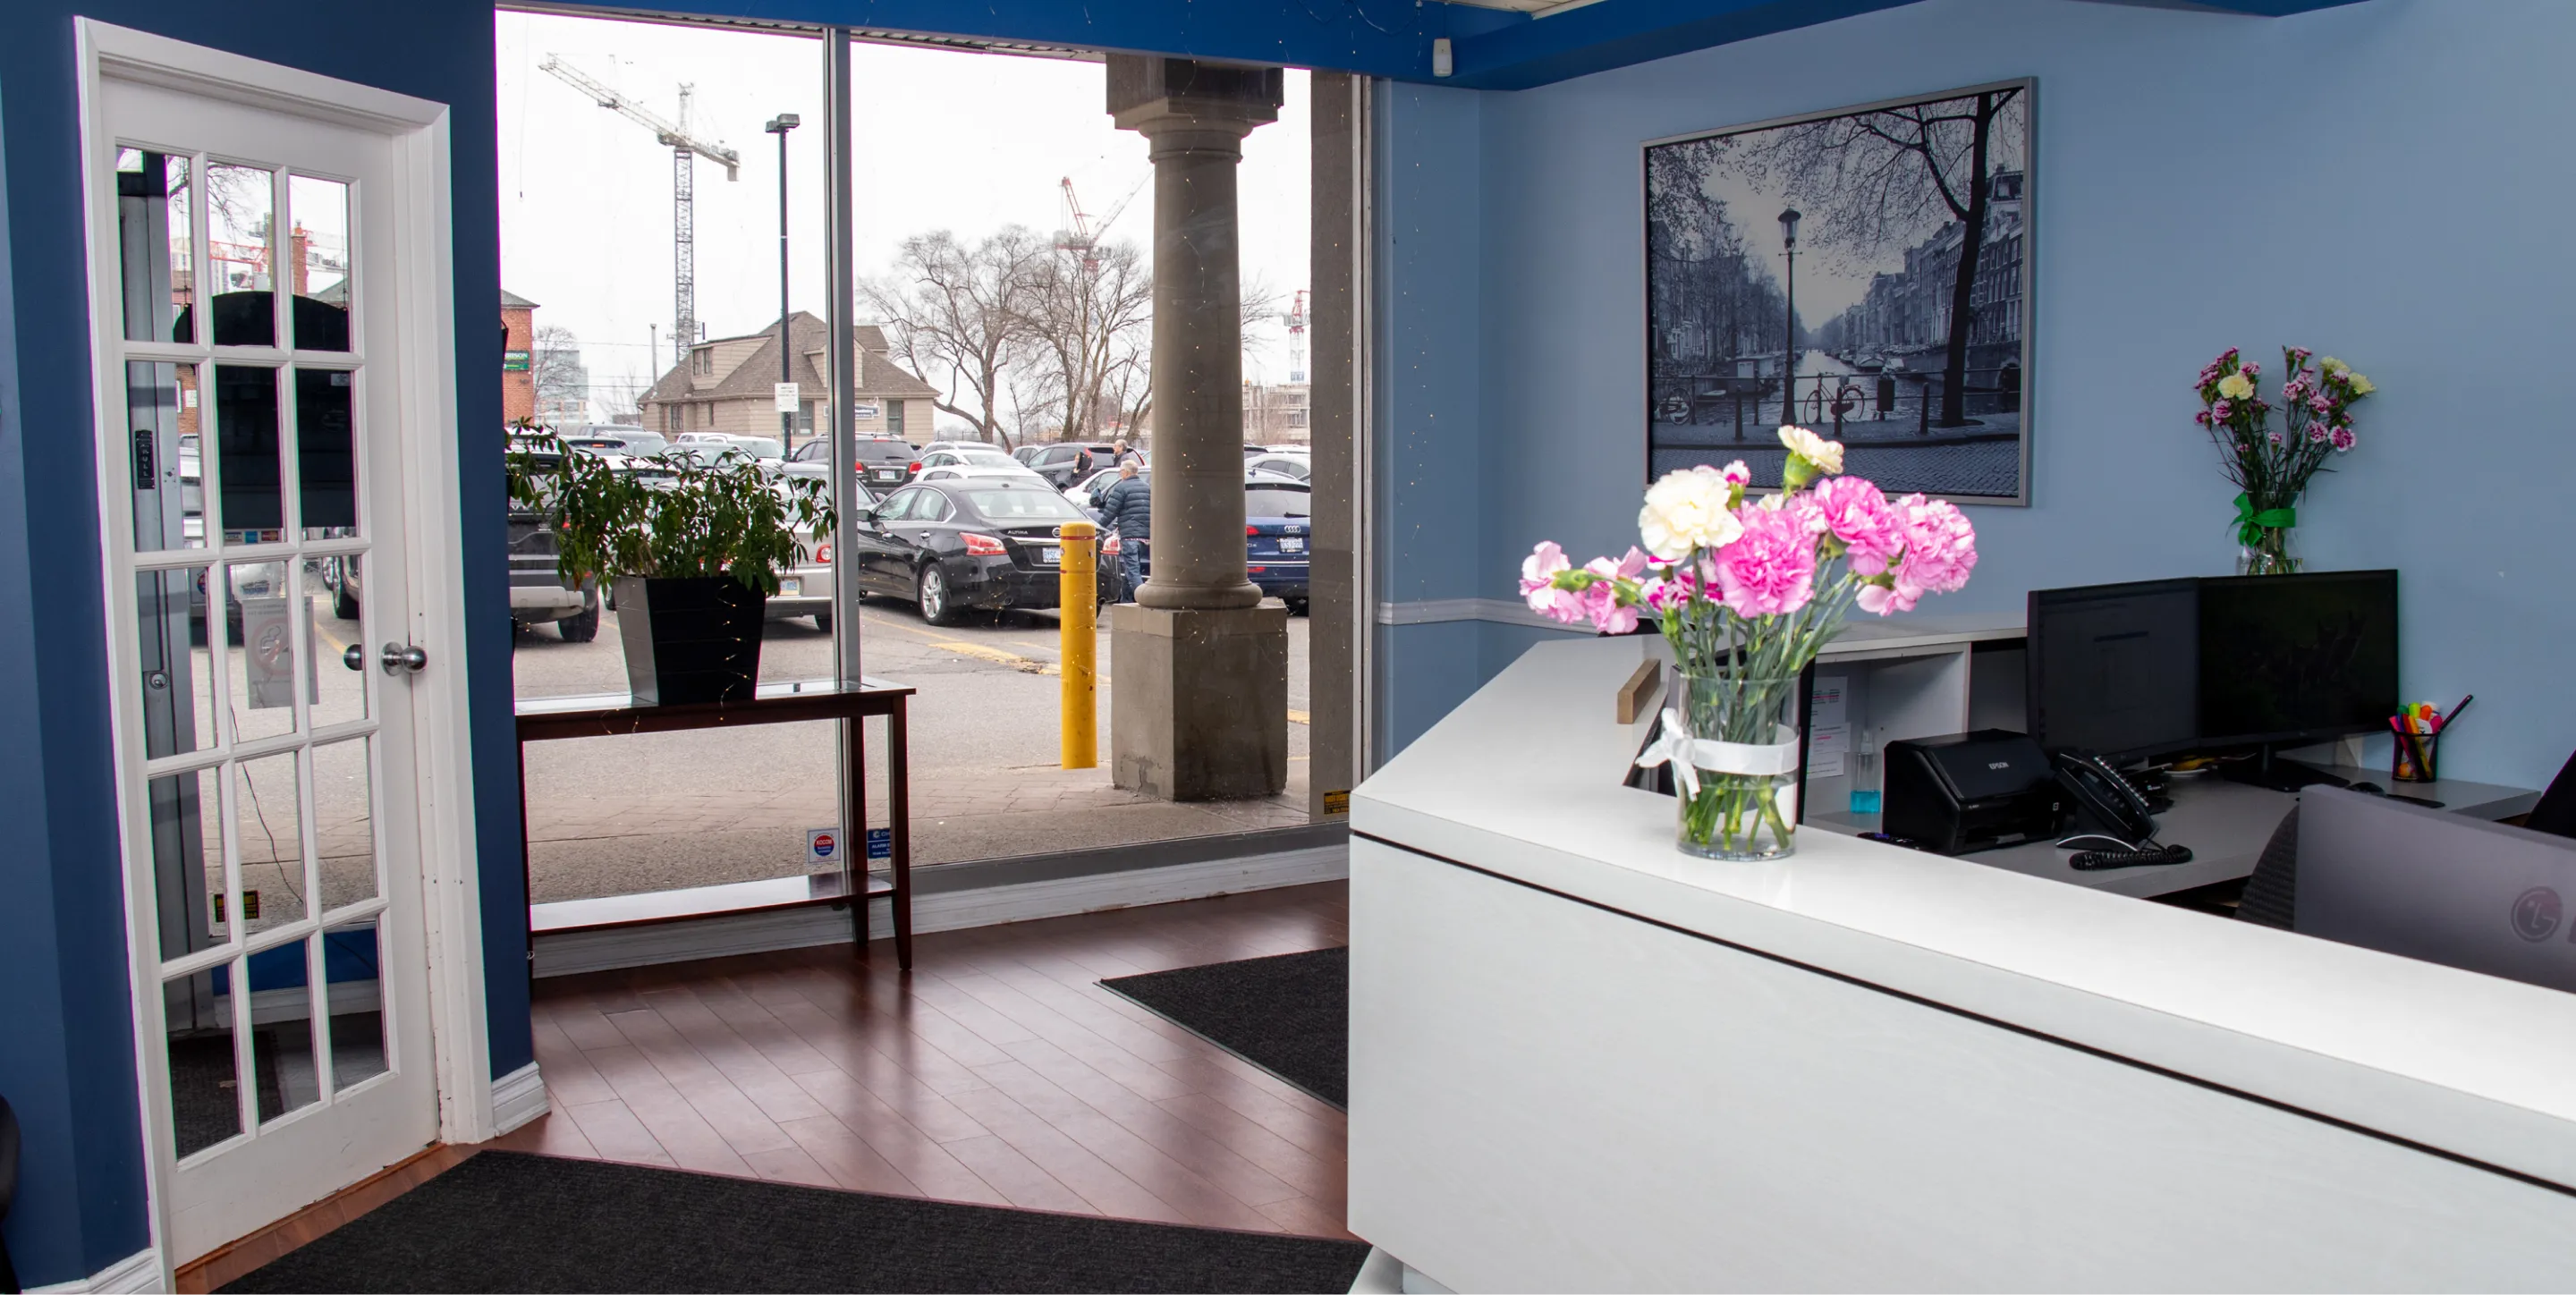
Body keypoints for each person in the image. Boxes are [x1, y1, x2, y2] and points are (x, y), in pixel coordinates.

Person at [1097, 461, 1150, 602]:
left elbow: (1110, 512)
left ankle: (1144, 599)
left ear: (1125, 473)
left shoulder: (1121, 488)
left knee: (1133, 571)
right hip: (1146, 537)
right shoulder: (1147, 488)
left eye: (1120, 472)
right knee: (1130, 570)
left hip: (1129, 536)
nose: (1120, 475)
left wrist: (1098, 528)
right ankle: (1126, 602)